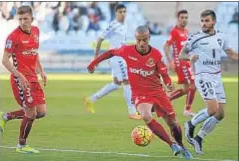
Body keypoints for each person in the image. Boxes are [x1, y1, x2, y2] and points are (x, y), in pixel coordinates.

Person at [87, 26, 193, 159]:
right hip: (140, 95)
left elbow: (164, 73)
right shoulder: (127, 50)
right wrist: (94, 63)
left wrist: (168, 83)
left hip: (158, 93)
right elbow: (110, 53)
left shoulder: (156, 54)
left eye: (144, 40)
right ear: (135, 39)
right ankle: (172, 145)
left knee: (173, 123)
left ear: (149, 38)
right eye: (139, 40)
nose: (141, 43)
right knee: (146, 116)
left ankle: (181, 146)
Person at [180, 10, 238, 154]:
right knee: (212, 109)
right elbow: (182, 54)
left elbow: (231, 54)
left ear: (214, 21)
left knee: (220, 114)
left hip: (216, 77)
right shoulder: (195, 38)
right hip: (203, 76)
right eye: (202, 21)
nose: (204, 24)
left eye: (207, 21)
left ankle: (199, 137)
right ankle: (190, 124)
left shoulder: (221, 36)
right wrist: (189, 58)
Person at [0, 5, 47, 153]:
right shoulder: (13, 37)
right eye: (20, 19)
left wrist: (42, 71)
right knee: (31, 113)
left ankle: (6, 116)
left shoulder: (36, 32)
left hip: (33, 77)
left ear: (32, 19)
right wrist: (18, 75)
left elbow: (35, 53)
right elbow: (4, 60)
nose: (22, 22)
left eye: (25, 19)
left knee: (41, 112)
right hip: (21, 80)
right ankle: (21, 145)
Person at [84, 4, 141, 120]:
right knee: (127, 81)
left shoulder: (124, 25)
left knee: (116, 83)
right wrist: (95, 59)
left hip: (121, 57)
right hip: (116, 58)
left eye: (124, 11)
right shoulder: (113, 25)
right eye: (120, 12)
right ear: (116, 13)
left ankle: (91, 99)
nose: (123, 14)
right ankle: (132, 111)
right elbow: (100, 39)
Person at [164, 10, 196, 117]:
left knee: (186, 89)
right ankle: (187, 109)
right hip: (180, 63)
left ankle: (165, 99)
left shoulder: (186, 31)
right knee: (193, 84)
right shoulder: (175, 31)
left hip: (186, 62)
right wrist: (169, 62)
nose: (184, 19)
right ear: (178, 19)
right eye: (182, 17)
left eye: (186, 17)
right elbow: (166, 46)